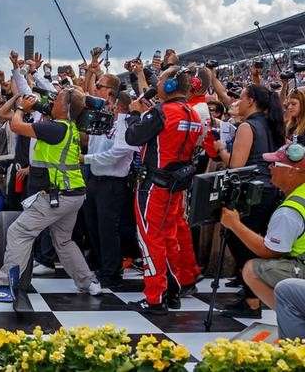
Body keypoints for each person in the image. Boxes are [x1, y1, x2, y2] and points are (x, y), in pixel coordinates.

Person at [0, 90, 101, 296]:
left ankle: (6, 283)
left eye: (57, 99)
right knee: (63, 240)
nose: (52, 102)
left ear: (65, 107)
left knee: (19, 231)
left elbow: (16, 125)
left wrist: (20, 108)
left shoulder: (55, 128)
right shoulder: (69, 127)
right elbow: (3, 115)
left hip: (59, 195)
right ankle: (88, 282)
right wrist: (23, 104)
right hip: (74, 194)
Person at [125, 66, 203, 314]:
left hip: (153, 187)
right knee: (169, 239)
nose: (156, 84)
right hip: (176, 188)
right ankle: (172, 290)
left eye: (159, 81)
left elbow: (132, 137)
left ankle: (154, 298)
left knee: (150, 241)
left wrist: (136, 115)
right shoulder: (193, 114)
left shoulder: (161, 112)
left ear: (169, 86)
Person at [213, 84, 286, 317]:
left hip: (251, 194)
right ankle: (253, 295)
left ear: (251, 101)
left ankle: (253, 300)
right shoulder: (271, 125)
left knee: (242, 242)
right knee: (252, 242)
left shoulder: (248, 126)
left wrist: (221, 150)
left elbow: (236, 165)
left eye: (241, 98)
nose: (238, 103)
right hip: (269, 191)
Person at [220, 140, 305, 319]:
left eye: (275, 164)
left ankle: (292, 315)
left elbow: (270, 252)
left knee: (251, 269)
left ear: (292, 172)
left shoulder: (289, 210)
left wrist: (234, 224)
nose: (270, 168)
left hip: (301, 268)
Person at [81, 87, 135, 289]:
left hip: (113, 182)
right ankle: (100, 265)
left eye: (104, 92)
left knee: (108, 229)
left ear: (116, 102)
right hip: (95, 178)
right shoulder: (102, 119)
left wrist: (86, 159)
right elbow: (91, 142)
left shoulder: (126, 123)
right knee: (92, 225)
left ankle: (112, 272)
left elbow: (118, 152)